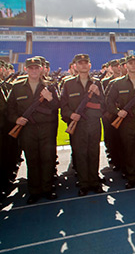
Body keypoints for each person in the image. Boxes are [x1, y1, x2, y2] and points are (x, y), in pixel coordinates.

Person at [7, 57, 60, 204]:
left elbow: (58, 106)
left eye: (37, 68)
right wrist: (16, 119)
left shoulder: (50, 86)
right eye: (31, 68)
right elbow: (10, 108)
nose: (34, 70)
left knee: (48, 159)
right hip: (28, 129)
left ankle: (47, 189)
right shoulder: (17, 87)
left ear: (42, 69)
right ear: (26, 69)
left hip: (46, 128)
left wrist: (50, 99)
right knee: (32, 160)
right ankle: (35, 191)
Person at [60, 54, 104, 196]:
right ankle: (84, 183)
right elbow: (63, 105)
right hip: (78, 125)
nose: (83, 65)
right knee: (80, 154)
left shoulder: (97, 83)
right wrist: (71, 115)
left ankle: (94, 181)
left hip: (94, 124)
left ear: (90, 65)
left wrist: (98, 93)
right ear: (75, 66)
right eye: (80, 63)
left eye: (86, 63)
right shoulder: (68, 83)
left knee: (93, 153)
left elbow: (105, 105)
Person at [106, 55, 135, 188]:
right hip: (126, 122)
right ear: (125, 66)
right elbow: (108, 102)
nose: (133, 65)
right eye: (130, 63)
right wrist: (117, 112)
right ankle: (132, 177)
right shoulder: (118, 83)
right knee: (129, 150)